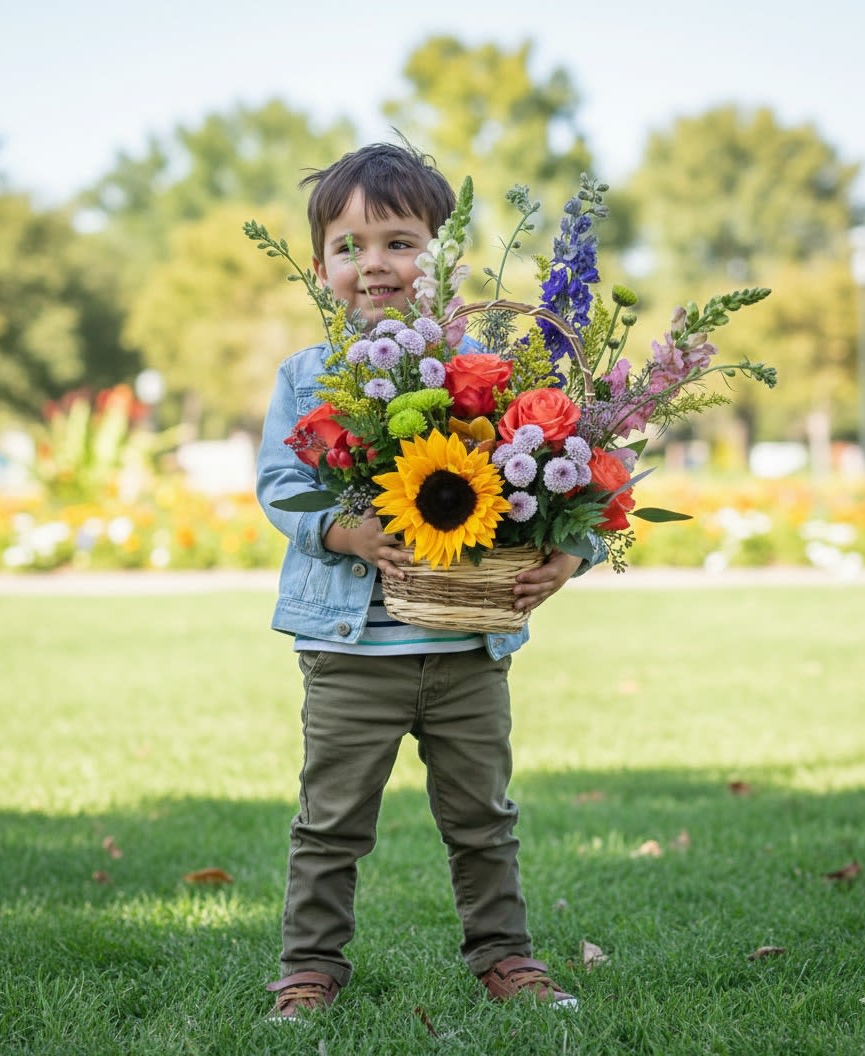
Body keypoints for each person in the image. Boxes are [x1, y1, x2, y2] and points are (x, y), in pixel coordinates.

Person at [255, 141, 606, 1022]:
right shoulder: (306, 377)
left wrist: (572, 556)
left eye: (402, 242)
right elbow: (279, 486)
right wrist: (345, 530)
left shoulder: (484, 371)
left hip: (466, 644)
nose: (375, 265)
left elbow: (576, 481)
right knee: (330, 820)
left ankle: (505, 956)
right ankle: (309, 968)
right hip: (350, 649)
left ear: (445, 259)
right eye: (350, 246)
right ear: (320, 264)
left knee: (484, 816)